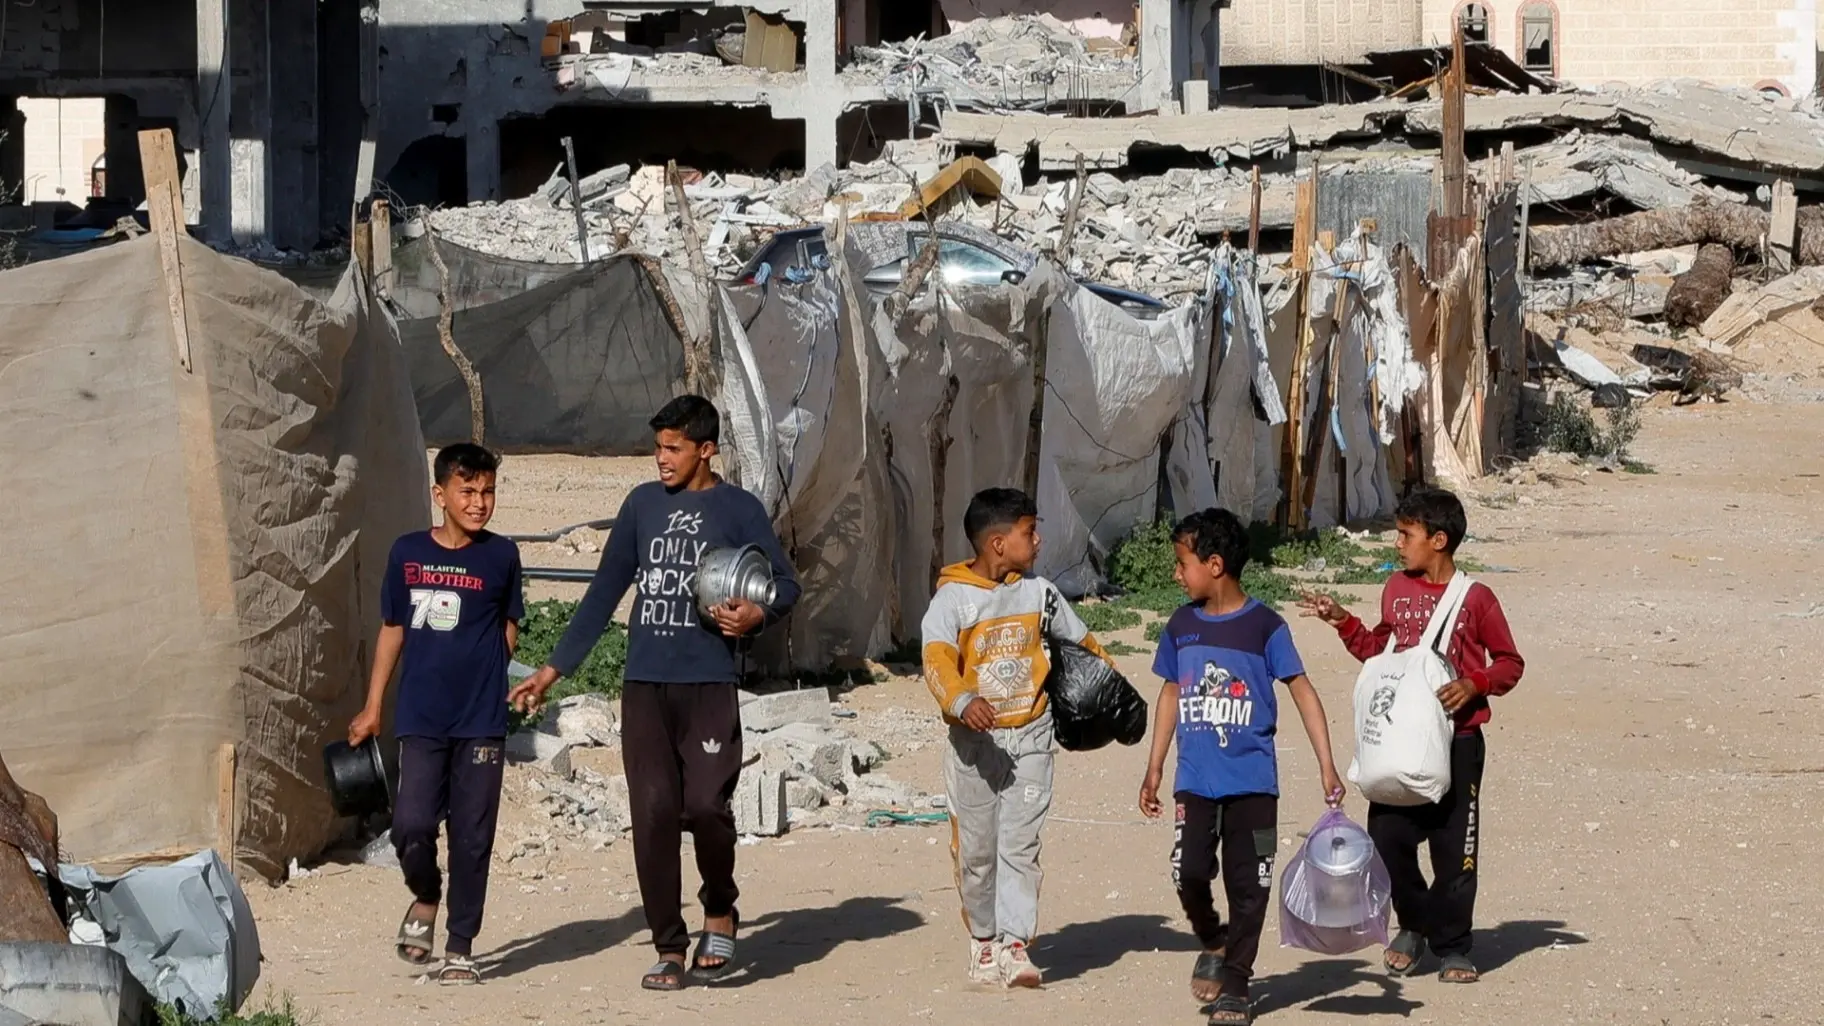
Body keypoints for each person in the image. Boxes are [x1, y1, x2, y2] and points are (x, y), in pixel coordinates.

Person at [509, 395, 800, 992]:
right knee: (653, 815)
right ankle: (669, 946)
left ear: (706, 449)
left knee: (708, 808)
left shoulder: (738, 508)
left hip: (709, 684)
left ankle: (719, 906)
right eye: (658, 448)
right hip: (644, 686)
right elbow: (603, 593)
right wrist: (551, 670)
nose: (661, 459)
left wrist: (757, 616)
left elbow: (785, 585)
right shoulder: (641, 505)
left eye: (674, 448)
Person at [1299, 487, 1523, 985]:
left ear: (1438, 540)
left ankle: (1454, 946)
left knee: (1454, 850)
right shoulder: (1396, 590)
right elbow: (1379, 653)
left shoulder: (1476, 599)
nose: (1397, 544)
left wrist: (1475, 683)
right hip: (1398, 742)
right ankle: (1414, 923)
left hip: (1458, 743)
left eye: (1406, 534)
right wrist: (1343, 622)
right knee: (1387, 839)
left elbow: (1510, 663)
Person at [1140, 507, 1346, 1026]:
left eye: (1182, 563)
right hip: (1195, 782)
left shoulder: (1265, 627)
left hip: (1254, 785)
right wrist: (1154, 766)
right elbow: (1170, 692)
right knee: (1188, 872)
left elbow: (1302, 690)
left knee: (1250, 888)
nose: (1176, 574)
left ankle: (1235, 984)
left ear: (1214, 565)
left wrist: (1327, 765)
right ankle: (1214, 939)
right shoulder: (1181, 626)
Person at [921, 487, 1114, 989]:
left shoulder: (1041, 594)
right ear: (998, 543)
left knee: (1020, 845)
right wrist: (962, 701)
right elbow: (936, 660)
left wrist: (1108, 690)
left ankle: (1014, 944)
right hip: (974, 749)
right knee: (978, 854)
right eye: (1030, 532)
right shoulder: (952, 600)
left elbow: (1083, 643)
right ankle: (984, 941)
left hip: (1031, 737)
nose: (1039, 540)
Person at [349, 443, 524, 986]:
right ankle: (426, 895)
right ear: (439, 494)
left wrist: (490, 673)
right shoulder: (407, 553)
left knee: (472, 837)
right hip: (422, 717)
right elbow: (393, 630)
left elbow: (510, 626)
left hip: (481, 723)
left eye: (488, 491)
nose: (479, 502)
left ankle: (460, 946)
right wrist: (373, 706)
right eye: (467, 491)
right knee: (411, 825)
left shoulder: (502, 556)